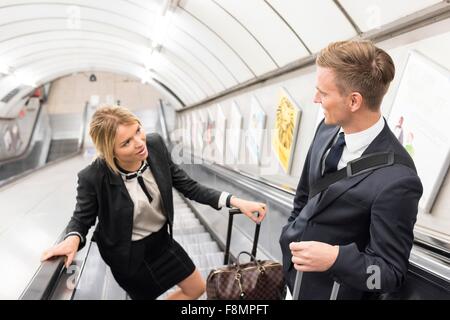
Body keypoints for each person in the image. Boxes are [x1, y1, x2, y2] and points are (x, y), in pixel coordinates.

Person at [41, 105, 267, 300]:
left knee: (197, 288)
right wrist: (72, 239)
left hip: (161, 243)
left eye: (138, 130)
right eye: (126, 142)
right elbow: (82, 219)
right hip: (127, 256)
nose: (139, 143)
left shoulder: (155, 145)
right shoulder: (93, 177)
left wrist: (235, 201)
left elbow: (189, 186)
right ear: (111, 151)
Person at [279, 40, 423, 299]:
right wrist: (290, 232)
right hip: (291, 281)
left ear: (354, 101)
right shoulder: (325, 130)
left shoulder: (399, 180)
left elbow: (390, 273)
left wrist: (334, 258)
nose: (315, 98)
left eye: (323, 93)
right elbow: (304, 196)